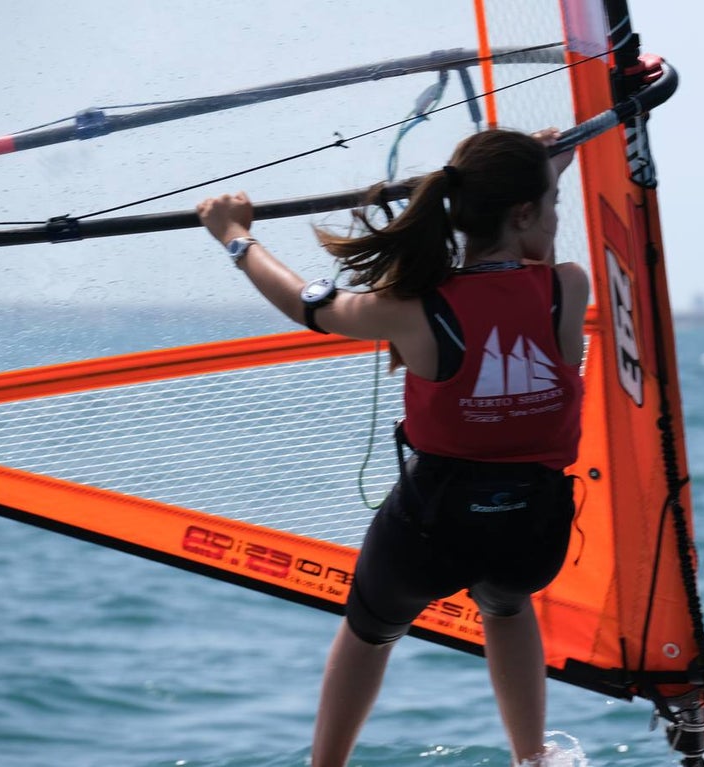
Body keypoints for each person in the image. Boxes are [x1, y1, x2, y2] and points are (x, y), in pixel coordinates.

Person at [196, 127, 589, 767]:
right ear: (523, 212)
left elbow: (307, 303)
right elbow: (527, 257)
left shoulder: (413, 308)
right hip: (533, 528)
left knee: (370, 631)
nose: (555, 218)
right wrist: (549, 173)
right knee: (508, 607)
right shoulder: (567, 288)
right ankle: (531, 759)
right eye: (554, 205)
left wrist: (234, 237)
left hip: (432, 526)